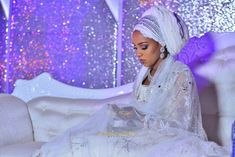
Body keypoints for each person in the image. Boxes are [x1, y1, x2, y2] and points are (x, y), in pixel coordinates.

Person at [32, 5, 229, 157]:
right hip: (139, 135)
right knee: (84, 139)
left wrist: (134, 117)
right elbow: (138, 111)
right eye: (135, 48)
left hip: (166, 140)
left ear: (162, 44)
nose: (138, 54)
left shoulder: (180, 73)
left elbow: (180, 125)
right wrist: (124, 116)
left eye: (144, 47)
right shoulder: (143, 74)